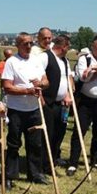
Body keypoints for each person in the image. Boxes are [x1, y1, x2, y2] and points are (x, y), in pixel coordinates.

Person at [1, 32, 49, 187]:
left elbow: (46, 81)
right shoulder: (12, 62)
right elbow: (7, 87)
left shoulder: (36, 60)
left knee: (35, 144)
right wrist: (27, 90)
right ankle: (10, 175)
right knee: (14, 143)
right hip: (16, 109)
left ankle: (35, 174)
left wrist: (40, 84)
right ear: (18, 45)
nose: (29, 46)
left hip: (34, 109)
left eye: (31, 43)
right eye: (25, 43)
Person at [67, 35, 97, 174]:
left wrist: (93, 68)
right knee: (79, 131)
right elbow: (84, 77)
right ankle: (73, 162)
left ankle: (95, 160)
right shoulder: (84, 59)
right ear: (93, 46)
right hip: (85, 101)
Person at [38, 34, 72, 169]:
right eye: (68, 47)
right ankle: (44, 163)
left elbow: (66, 79)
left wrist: (67, 94)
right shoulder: (45, 57)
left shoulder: (65, 61)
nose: (68, 49)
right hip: (47, 103)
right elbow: (38, 77)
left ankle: (53, 158)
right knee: (48, 134)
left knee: (60, 132)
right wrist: (41, 98)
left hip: (61, 104)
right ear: (63, 46)